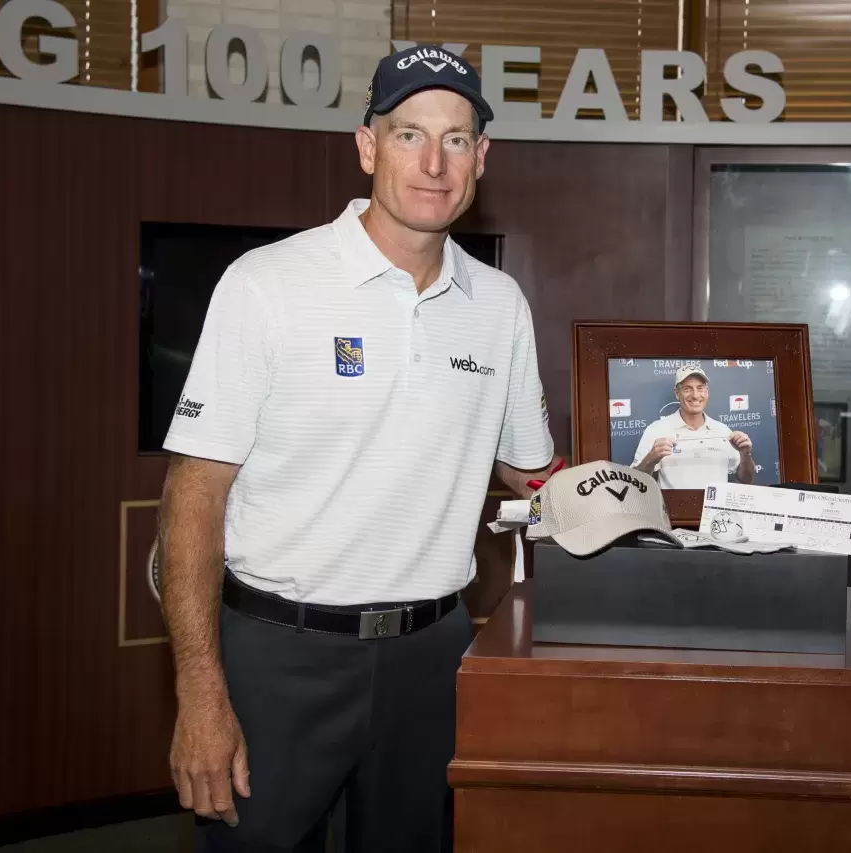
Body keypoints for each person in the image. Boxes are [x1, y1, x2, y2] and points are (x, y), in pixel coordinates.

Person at [156, 44, 557, 853]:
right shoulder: (266, 283)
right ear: (368, 146)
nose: (434, 163)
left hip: (431, 656)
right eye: (410, 134)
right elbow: (193, 494)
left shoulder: (501, 305)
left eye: (455, 139)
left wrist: (658, 490)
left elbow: (533, 470)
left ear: (482, 157)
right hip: (278, 657)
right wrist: (201, 694)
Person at [631, 364, 755, 488]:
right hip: (673, 507)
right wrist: (651, 458)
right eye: (687, 389)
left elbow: (746, 479)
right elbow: (636, 481)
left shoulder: (723, 431)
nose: (695, 395)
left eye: (700, 388)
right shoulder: (657, 429)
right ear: (677, 394)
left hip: (714, 507)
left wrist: (746, 454)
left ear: (707, 392)